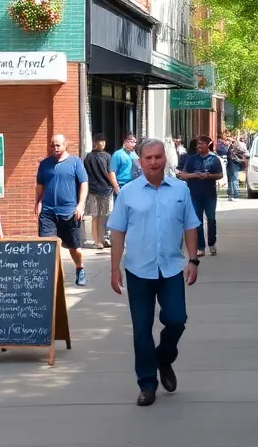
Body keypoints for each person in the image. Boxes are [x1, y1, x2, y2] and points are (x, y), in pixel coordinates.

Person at [108, 139, 201, 406]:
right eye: (148, 158)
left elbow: (191, 226)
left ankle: (163, 358)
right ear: (140, 161)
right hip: (138, 270)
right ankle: (147, 383)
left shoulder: (181, 190)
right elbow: (117, 232)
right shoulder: (128, 192)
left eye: (158, 157)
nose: (153, 162)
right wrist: (115, 269)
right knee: (141, 329)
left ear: (165, 159)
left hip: (171, 268)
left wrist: (192, 260)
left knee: (177, 319)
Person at [35, 134, 89, 287]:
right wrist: (38, 202)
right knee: (48, 246)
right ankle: (53, 277)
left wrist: (80, 205)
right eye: (52, 145)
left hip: (70, 213)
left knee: (75, 248)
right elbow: (40, 185)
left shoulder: (75, 162)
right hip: (48, 212)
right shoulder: (45, 164)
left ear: (66, 145)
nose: (55, 148)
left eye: (58, 145)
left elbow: (84, 184)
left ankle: (80, 268)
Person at [177, 135, 223, 257]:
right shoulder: (191, 159)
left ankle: (212, 243)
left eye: (202, 144)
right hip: (194, 194)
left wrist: (208, 176)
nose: (199, 146)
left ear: (207, 145)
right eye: (198, 144)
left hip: (210, 194)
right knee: (197, 221)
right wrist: (195, 175)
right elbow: (183, 175)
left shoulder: (214, 159)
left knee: (211, 219)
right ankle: (200, 247)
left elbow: (220, 175)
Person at [83, 134, 113, 250]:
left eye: (104, 141)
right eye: (101, 141)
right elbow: (110, 172)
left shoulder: (106, 156)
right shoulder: (90, 157)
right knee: (96, 216)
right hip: (96, 190)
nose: (103, 143)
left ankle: (103, 239)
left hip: (104, 189)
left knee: (104, 216)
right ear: (95, 142)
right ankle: (97, 241)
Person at [226, 131, 248, 202]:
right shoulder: (239, 144)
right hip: (235, 162)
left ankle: (233, 195)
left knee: (232, 178)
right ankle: (233, 195)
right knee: (234, 178)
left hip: (233, 162)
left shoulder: (234, 144)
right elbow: (245, 153)